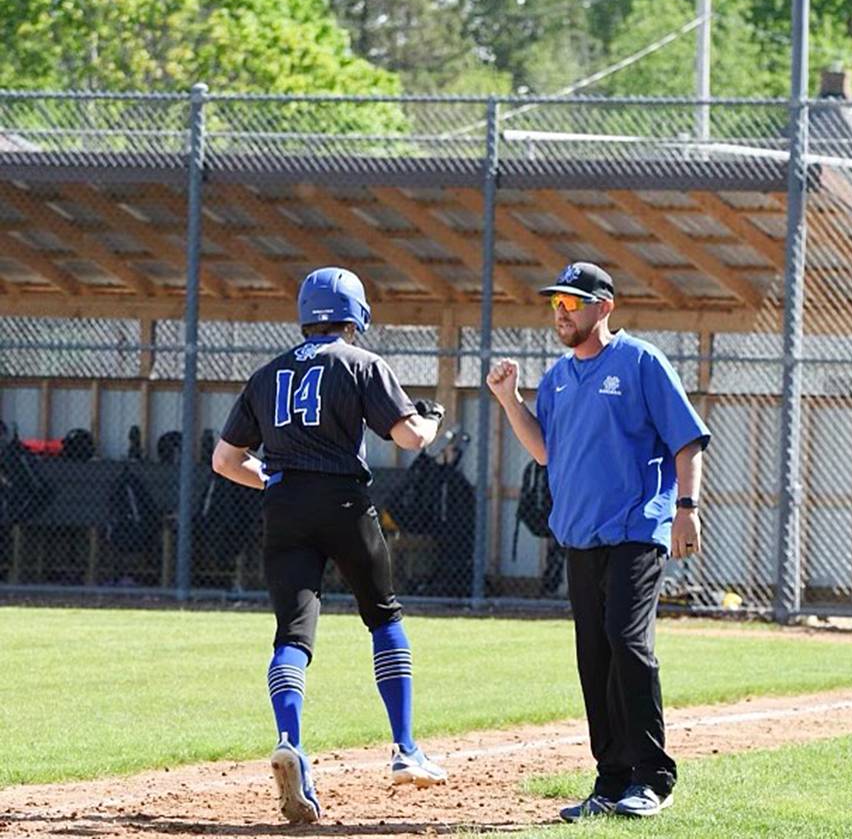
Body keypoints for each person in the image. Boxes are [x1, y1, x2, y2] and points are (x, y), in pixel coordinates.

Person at [211, 267, 448, 825]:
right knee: (383, 617)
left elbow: (225, 460)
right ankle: (405, 749)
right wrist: (431, 421)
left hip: (285, 505)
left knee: (292, 635)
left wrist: (271, 479)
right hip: (343, 502)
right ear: (355, 316)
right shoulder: (362, 363)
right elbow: (410, 437)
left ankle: (290, 742)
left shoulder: (267, 373)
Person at [487, 261, 710, 822]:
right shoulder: (559, 377)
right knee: (594, 655)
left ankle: (653, 778)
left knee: (625, 641)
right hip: (580, 536)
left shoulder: (640, 361)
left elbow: (687, 441)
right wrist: (510, 400)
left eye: (573, 303)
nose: (561, 312)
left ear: (604, 308)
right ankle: (611, 780)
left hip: (637, 527)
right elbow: (545, 450)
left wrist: (686, 509)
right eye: (555, 303)